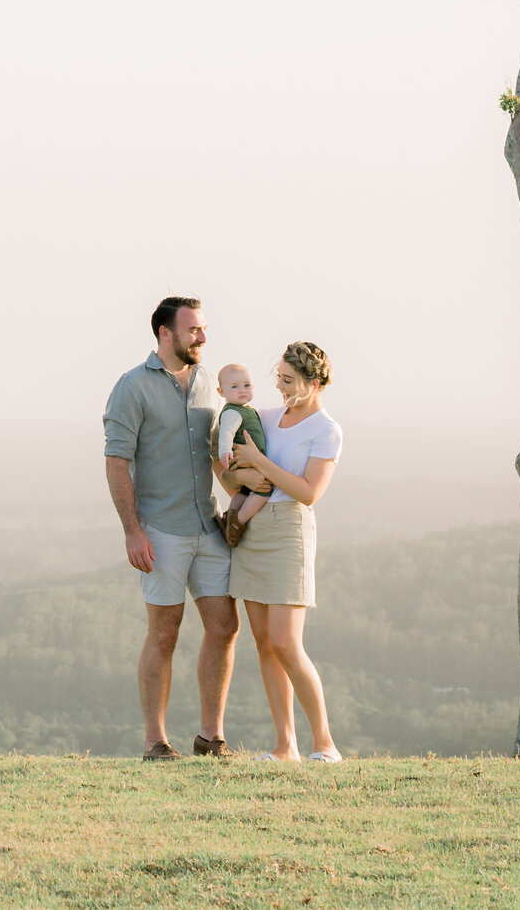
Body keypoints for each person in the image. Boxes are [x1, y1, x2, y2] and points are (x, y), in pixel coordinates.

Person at [102, 296, 273, 760]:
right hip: (160, 531)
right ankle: (156, 742)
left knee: (224, 625)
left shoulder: (209, 386)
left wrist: (247, 490)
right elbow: (117, 462)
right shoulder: (131, 387)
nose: (202, 336)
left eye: (202, 329)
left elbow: (220, 453)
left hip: (208, 524)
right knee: (165, 631)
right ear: (165, 333)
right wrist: (132, 531)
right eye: (193, 329)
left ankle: (210, 738)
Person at [226, 340, 344, 762]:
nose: (278, 387)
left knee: (286, 643)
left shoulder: (326, 430)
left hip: (289, 531)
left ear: (313, 383)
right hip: (252, 529)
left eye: (288, 380)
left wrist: (260, 461)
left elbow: (309, 492)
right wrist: (242, 475)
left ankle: (325, 744)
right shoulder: (266, 418)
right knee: (263, 643)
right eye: (277, 378)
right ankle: (285, 746)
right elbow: (234, 476)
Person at [211, 363, 269, 547]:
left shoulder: (246, 409)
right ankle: (238, 523)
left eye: (246, 385)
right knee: (263, 490)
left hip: (247, 461)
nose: (241, 390)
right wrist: (225, 452)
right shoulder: (232, 412)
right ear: (221, 392)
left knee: (244, 492)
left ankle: (229, 517)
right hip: (244, 462)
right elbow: (226, 433)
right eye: (234, 387)